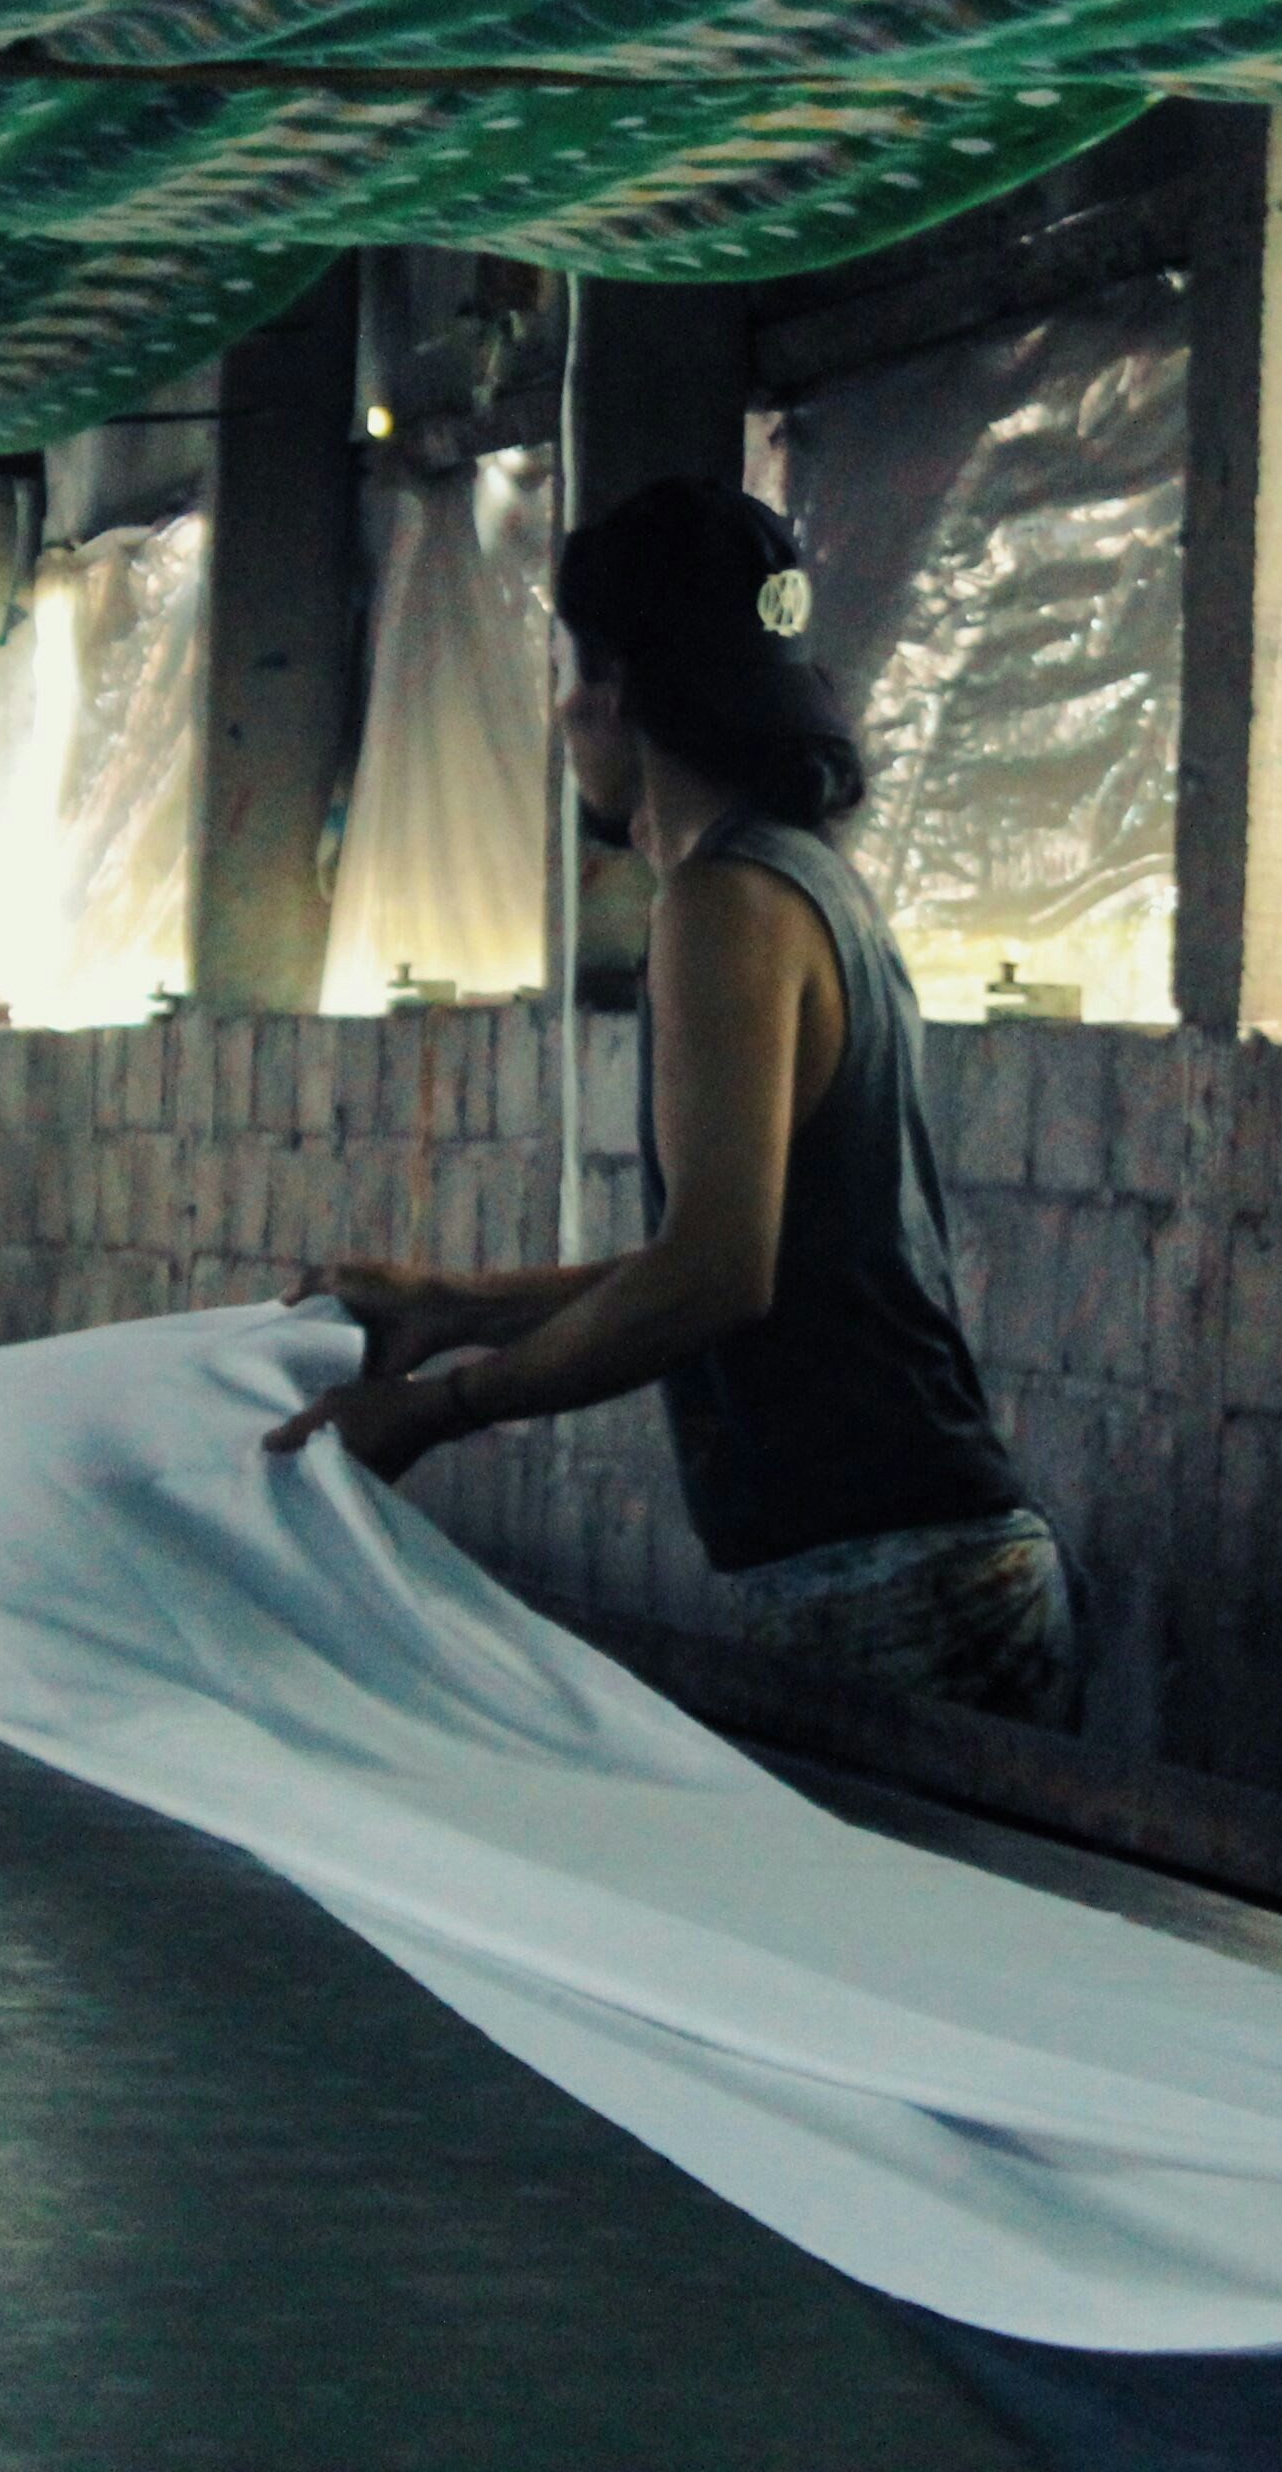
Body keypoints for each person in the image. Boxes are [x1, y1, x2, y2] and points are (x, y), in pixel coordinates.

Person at [268, 478, 1077, 1728]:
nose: (562, 716)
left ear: (617, 692)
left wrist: (438, 1410)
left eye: (567, 674)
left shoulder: (719, 909)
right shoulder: (805, 884)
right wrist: (456, 1306)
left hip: (889, 1579)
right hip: (924, 1561)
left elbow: (713, 1277)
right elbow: (746, 1257)